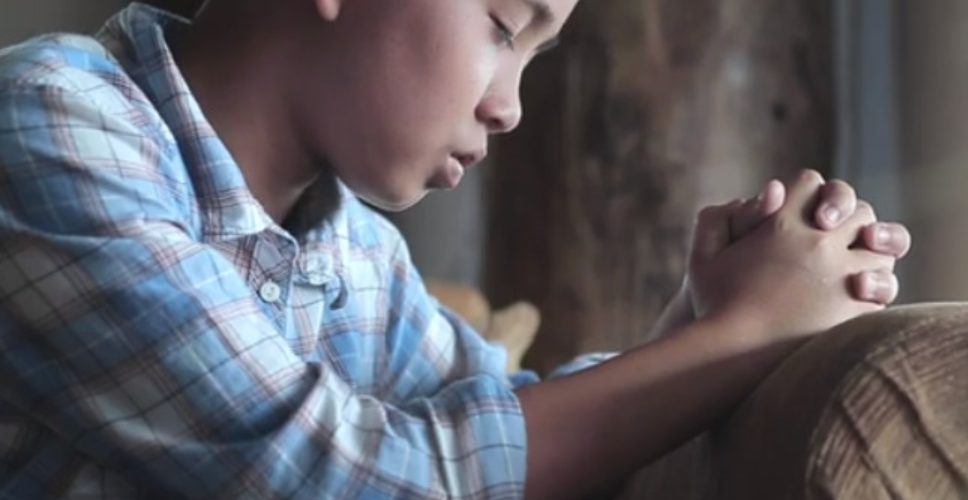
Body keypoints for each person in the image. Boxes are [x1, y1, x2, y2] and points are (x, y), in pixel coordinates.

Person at [0, 1, 911, 498]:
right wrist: (740, 339)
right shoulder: (52, 121)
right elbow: (330, 477)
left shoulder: (357, 256)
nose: (508, 107)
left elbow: (509, 439)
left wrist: (700, 323)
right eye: (505, 29)